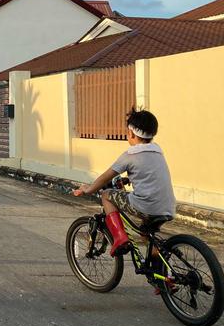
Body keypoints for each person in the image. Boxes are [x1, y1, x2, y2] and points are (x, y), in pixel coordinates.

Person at [73, 108, 176, 259]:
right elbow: (148, 175)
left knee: (107, 195)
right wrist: (128, 179)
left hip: (146, 205)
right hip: (167, 206)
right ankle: (161, 271)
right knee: (146, 233)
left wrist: (88, 189)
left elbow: (105, 178)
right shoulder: (158, 152)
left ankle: (120, 238)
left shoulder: (130, 155)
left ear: (131, 133)